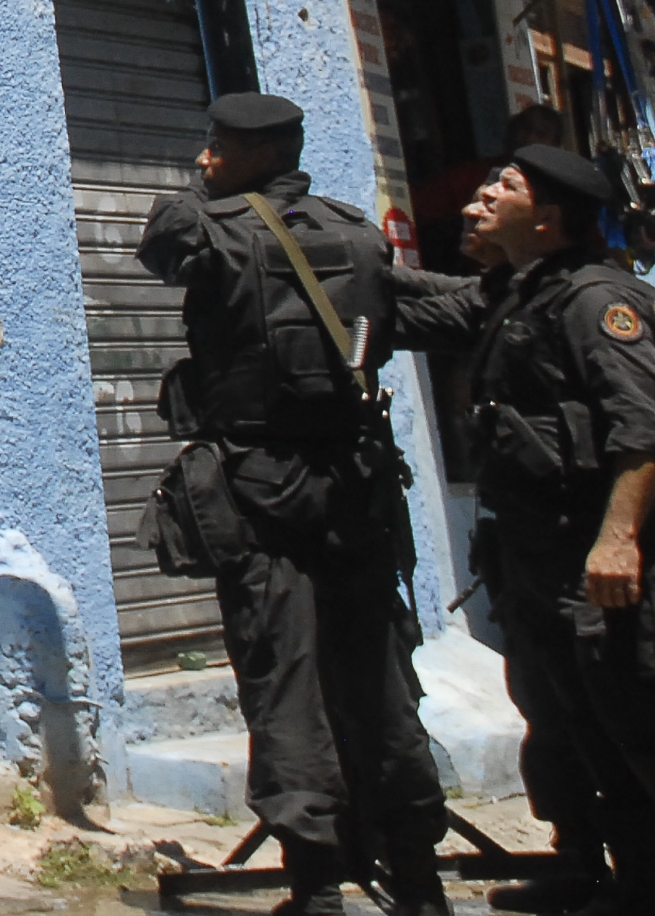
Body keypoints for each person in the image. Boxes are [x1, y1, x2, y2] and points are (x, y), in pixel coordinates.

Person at [135, 94, 446, 916]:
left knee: (284, 680)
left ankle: (317, 885)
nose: (205, 160)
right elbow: (420, 311)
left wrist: (213, 194)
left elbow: (158, 240)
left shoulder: (217, 229)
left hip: (263, 489)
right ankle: (416, 873)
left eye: (218, 146)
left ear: (257, 155)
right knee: (381, 678)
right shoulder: (357, 233)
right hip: (356, 488)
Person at [435, 147, 655, 916]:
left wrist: (619, 536)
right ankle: (643, 890)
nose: (482, 195)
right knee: (589, 733)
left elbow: (650, 427)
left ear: (549, 215)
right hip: (539, 560)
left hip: (603, 562)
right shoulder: (520, 296)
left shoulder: (596, 301)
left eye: (507, 186)